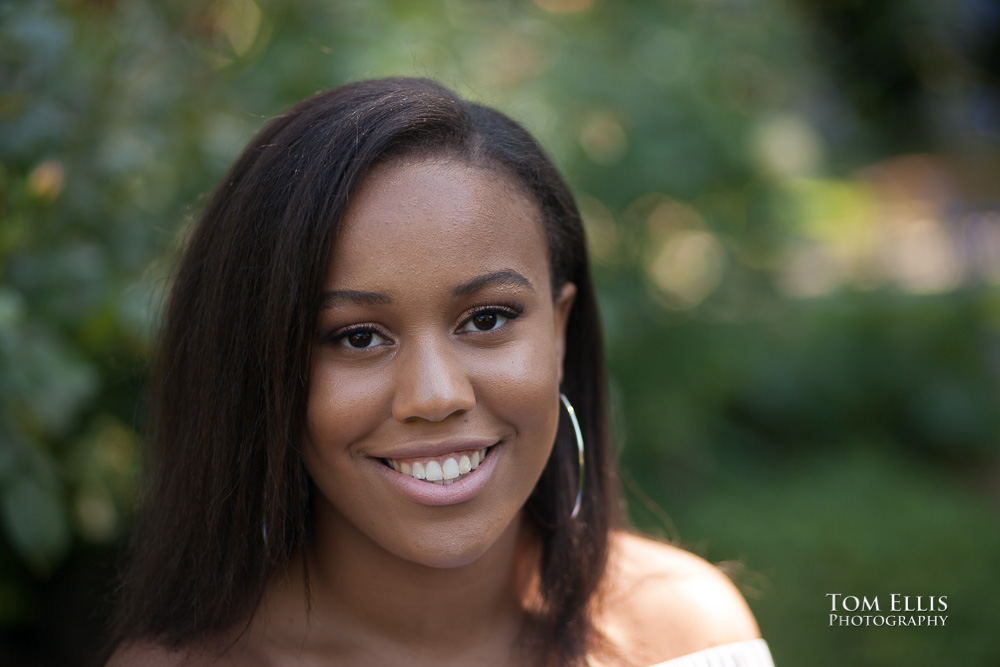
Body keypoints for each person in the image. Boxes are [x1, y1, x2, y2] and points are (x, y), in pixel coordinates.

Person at [106, 78, 773, 667]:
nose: (436, 395)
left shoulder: (687, 637)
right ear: (261, 368)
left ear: (560, 330)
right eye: (357, 336)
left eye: (486, 319)